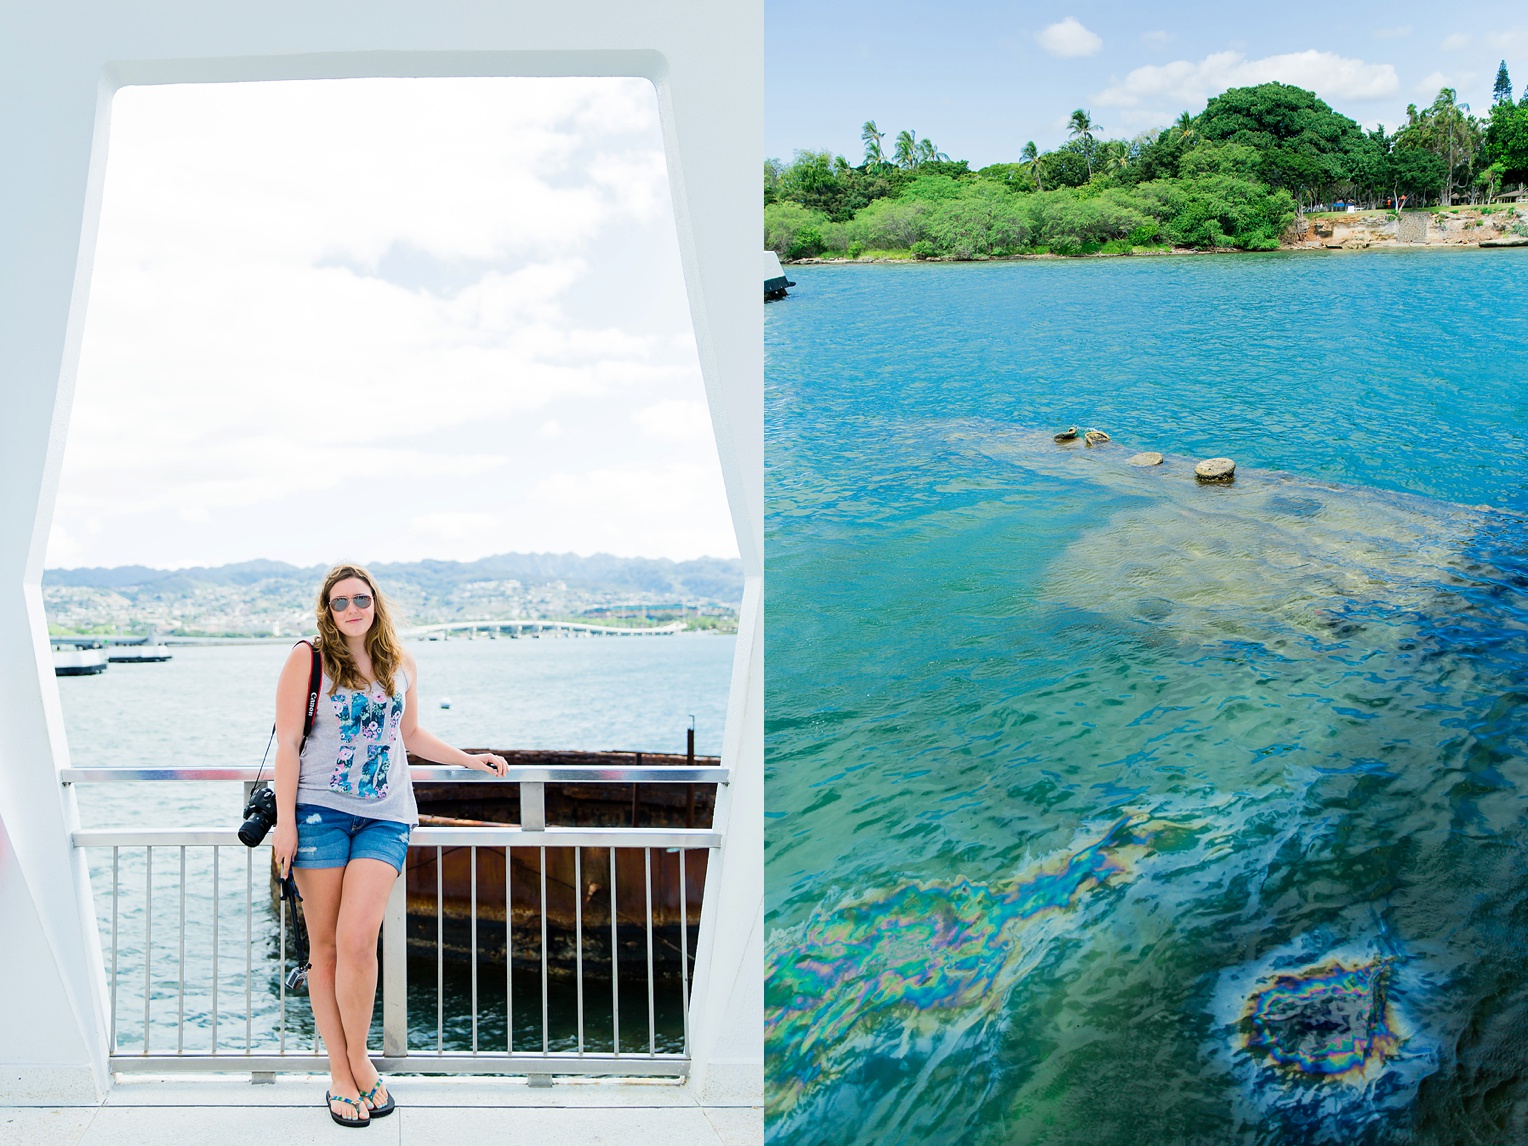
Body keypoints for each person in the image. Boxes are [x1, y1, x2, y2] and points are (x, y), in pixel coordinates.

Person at [271, 562, 508, 1127]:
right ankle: (342, 1071)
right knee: (324, 950)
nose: (352, 609)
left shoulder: (400, 663)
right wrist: (285, 823)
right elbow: (287, 748)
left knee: (358, 943)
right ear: (326, 611)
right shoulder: (308, 659)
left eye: (361, 598)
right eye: (339, 602)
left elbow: (410, 736)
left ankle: (358, 1057)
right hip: (318, 815)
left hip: (386, 817)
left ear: (375, 603)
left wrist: (469, 760)